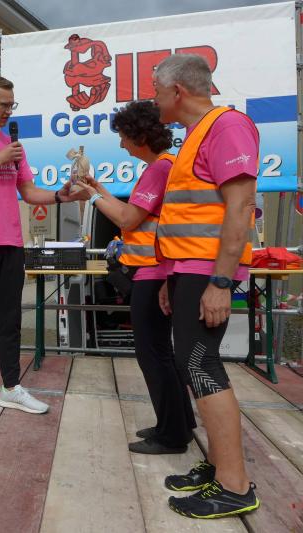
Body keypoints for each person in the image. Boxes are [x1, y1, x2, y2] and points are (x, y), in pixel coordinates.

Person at [152, 54, 260, 518]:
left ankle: (235, 486)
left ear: (177, 91)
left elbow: (241, 207)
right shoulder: (197, 134)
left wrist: (219, 281)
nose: (155, 99)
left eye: (157, 90)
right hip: (189, 270)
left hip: (208, 271)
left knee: (200, 363)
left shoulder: (226, 126)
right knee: (194, 362)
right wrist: (171, 276)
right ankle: (219, 467)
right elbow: (193, 213)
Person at [0, 75, 85, 423]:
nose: (9, 111)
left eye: (12, 105)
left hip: (10, 244)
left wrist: (60, 196)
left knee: (10, 322)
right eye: (4, 105)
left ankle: (11, 388)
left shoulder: (12, 146)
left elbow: (29, 192)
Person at [77, 100, 196, 454]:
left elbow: (127, 220)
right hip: (156, 270)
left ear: (139, 136)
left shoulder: (159, 169)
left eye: (123, 137)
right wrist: (99, 189)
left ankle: (171, 435)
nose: (121, 144)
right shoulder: (163, 166)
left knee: (152, 354)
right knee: (161, 352)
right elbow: (133, 213)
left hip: (152, 271)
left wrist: (92, 198)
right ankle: (178, 423)